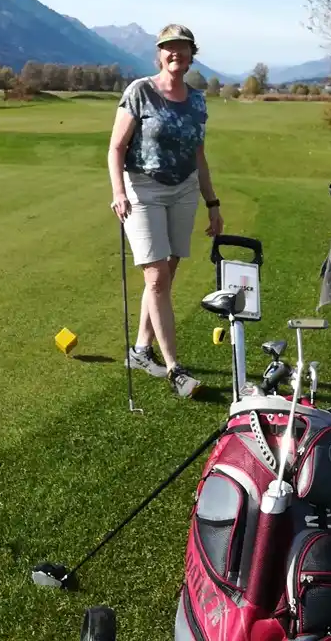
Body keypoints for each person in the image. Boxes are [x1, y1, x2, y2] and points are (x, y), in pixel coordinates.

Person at [108, 23, 224, 399]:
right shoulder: (139, 91)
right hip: (143, 189)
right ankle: (175, 367)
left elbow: (199, 156)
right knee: (157, 277)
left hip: (184, 190)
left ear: (192, 54)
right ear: (159, 54)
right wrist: (119, 192)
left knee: (165, 274)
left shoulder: (198, 101)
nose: (176, 54)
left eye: (183, 48)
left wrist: (213, 204)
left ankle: (142, 350)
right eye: (168, 48)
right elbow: (116, 147)